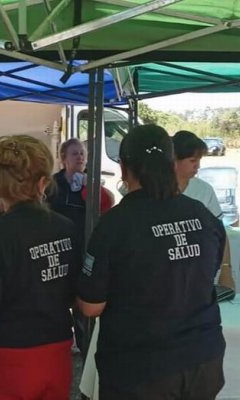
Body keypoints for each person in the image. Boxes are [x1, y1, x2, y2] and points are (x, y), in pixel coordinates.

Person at [77, 124, 226, 400]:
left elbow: (90, 305)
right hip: (202, 360)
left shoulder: (115, 224)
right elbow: (211, 271)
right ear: (171, 165)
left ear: (123, 167)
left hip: (142, 369)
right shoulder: (203, 215)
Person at [0, 135, 82, 400]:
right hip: (55, 357)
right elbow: (75, 296)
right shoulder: (66, 229)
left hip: (4, 363)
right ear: (43, 182)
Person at [48, 138, 113, 357]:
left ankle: (85, 346)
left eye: (82, 154)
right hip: (55, 250)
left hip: (82, 248)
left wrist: (89, 186)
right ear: (63, 158)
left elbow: (109, 202)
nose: (80, 158)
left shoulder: (90, 183)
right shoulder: (53, 184)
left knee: (80, 299)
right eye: (75, 154)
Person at [173, 130, 235, 291]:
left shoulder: (204, 190)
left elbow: (220, 232)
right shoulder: (156, 191)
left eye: (199, 160)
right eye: (192, 160)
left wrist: (226, 269)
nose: (198, 166)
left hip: (201, 272)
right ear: (174, 160)